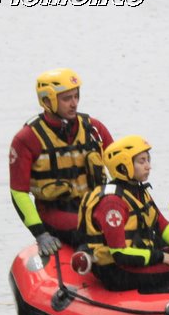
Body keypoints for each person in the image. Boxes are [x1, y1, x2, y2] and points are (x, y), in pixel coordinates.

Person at [78, 136, 169, 292]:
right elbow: (120, 254)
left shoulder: (139, 192)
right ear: (124, 165)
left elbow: (164, 228)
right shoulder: (112, 202)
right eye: (142, 161)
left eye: (148, 160)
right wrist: (162, 257)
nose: (148, 166)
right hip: (117, 271)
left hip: (139, 260)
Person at [9, 68, 113, 256]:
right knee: (94, 231)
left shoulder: (94, 128)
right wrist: (40, 234)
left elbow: (122, 170)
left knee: (131, 226)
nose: (74, 104)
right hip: (55, 212)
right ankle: (86, 266)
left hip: (93, 205)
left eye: (76, 97)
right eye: (66, 99)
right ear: (47, 101)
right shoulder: (27, 139)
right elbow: (19, 192)